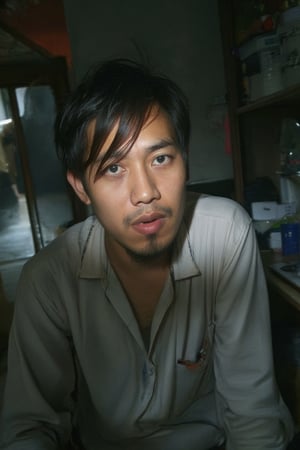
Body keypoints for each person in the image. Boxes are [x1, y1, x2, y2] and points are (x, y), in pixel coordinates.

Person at [0, 59, 295, 450]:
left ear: (185, 160)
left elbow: (250, 403)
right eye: (113, 168)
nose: (145, 193)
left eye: (160, 159)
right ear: (81, 187)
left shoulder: (223, 234)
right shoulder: (49, 277)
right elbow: (30, 427)